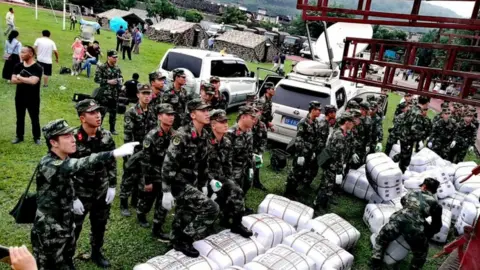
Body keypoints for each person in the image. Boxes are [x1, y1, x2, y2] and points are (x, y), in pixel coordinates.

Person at [31, 119, 138, 270]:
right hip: (50, 232)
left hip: (66, 223)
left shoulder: (64, 157)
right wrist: (113, 153)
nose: (73, 139)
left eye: (71, 134)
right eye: (66, 136)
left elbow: (69, 182)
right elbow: (79, 164)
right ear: (54, 142)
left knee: (67, 259)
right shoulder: (49, 164)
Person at [161, 99, 220, 257]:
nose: (208, 113)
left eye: (208, 110)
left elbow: (203, 163)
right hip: (178, 183)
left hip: (191, 182)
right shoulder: (181, 135)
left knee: (184, 214)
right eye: (203, 111)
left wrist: (204, 184)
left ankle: (174, 242)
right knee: (211, 208)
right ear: (193, 115)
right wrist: (166, 191)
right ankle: (184, 239)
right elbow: (168, 164)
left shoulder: (204, 135)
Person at [70, 99, 116, 268]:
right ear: (82, 118)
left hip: (101, 190)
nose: (98, 116)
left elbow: (111, 162)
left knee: (100, 225)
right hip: (80, 192)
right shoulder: (74, 139)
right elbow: (66, 171)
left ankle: (96, 252)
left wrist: (112, 185)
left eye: (99, 112)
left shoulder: (106, 136)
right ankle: (69, 257)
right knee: (74, 228)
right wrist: (73, 197)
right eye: (92, 113)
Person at [371, 178, 443, 270]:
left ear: (424, 186)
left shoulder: (411, 193)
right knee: (420, 254)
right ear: (433, 191)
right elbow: (437, 226)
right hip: (415, 229)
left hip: (398, 220)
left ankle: (376, 263)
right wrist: (426, 233)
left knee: (382, 238)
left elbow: (403, 201)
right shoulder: (436, 205)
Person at [205, 109, 253, 237]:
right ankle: (205, 226)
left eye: (226, 121)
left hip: (220, 178)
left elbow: (228, 165)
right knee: (210, 200)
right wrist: (210, 181)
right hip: (204, 179)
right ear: (213, 125)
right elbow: (200, 166)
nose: (226, 124)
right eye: (221, 122)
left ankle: (236, 224)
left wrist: (231, 182)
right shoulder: (205, 142)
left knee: (237, 191)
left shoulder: (226, 142)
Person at [136, 103, 176, 241]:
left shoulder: (174, 135)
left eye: (172, 115)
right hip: (152, 174)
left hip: (165, 176)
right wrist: (147, 181)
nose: (171, 118)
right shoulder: (151, 136)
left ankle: (157, 228)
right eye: (167, 115)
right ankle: (141, 214)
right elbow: (145, 161)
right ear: (160, 116)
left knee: (163, 203)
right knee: (147, 199)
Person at [120, 85, 158, 217]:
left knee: (142, 175)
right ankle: (123, 202)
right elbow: (127, 135)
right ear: (138, 95)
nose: (147, 96)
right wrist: (128, 154)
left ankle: (134, 201)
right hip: (134, 150)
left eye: (149, 93)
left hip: (146, 151)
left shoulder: (152, 112)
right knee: (129, 177)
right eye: (144, 93)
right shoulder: (131, 112)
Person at [315, 112, 355, 211]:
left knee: (328, 185)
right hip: (333, 166)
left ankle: (322, 204)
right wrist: (339, 171)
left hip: (333, 165)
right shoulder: (340, 136)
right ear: (346, 122)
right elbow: (338, 156)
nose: (353, 125)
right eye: (351, 122)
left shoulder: (341, 132)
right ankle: (317, 206)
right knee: (326, 186)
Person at [285, 101, 322, 200]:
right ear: (312, 110)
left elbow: (315, 139)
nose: (320, 112)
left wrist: (313, 151)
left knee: (302, 172)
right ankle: (289, 191)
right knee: (296, 171)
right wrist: (300, 154)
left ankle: (294, 189)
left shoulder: (316, 123)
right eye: (318, 110)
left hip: (309, 153)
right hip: (302, 153)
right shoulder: (303, 122)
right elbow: (298, 139)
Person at [11, 46, 43, 145]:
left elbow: (34, 81)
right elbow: (13, 80)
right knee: (20, 117)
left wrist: (20, 77)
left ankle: (37, 137)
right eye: (21, 52)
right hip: (20, 96)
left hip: (33, 97)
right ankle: (19, 136)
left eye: (23, 52)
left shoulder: (37, 67)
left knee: (34, 118)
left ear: (31, 54)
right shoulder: (18, 66)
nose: (21, 54)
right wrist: (27, 79)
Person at [226, 106, 256, 204]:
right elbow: (227, 158)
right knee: (233, 193)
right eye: (252, 118)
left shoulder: (249, 131)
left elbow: (249, 151)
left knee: (246, 186)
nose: (254, 120)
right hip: (234, 170)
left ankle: (241, 203)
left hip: (246, 167)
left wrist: (251, 166)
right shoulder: (231, 134)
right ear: (243, 117)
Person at [398, 96, 431, 173]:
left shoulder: (411, 109)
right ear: (426, 104)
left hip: (404, 135)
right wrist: (420, 140)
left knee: (403, 156)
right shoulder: (418, 113)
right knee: (405, 160)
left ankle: (400, 170)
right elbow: (415, 129)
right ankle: (401, 173)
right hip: (408, 139)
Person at [94, 50, 123, 134]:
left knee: (113, 113)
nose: (115, 59)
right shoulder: (102, 67)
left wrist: (121, 83)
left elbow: (121, 77)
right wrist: (108, 81)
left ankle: (112, 129)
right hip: (105, 94)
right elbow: (96, 79)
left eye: (116, 57)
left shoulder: (117, 68)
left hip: (115, 94)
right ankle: (98, 129)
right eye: (114, 57)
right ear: (108, 57)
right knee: (102, 112)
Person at [251, 102, 267, 191]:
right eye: (255, 110)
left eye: (259, 111)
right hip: (247, 151)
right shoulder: (247, 123)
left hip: (257, 151)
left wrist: (260, 152)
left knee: (258, 165)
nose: (257, 113)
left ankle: (256, 182)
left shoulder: (262, 126)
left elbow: (264, 140)